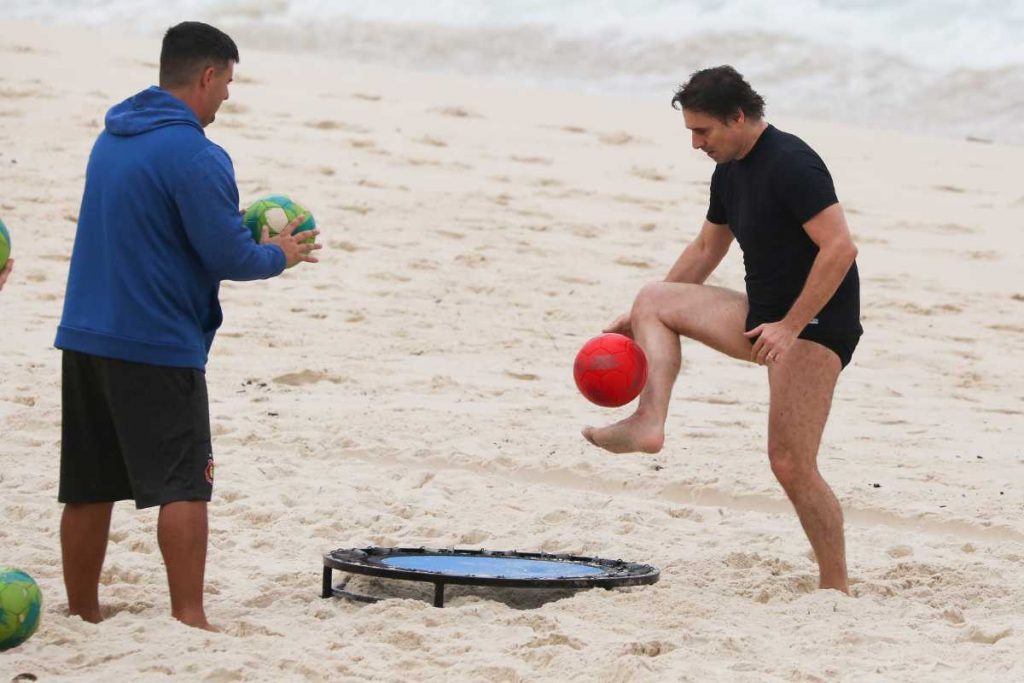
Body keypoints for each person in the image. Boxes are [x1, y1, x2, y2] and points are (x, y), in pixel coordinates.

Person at [55, 21, 321, 630]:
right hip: (156, 342)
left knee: (89, 484)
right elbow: (228, 255)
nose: (227, 94)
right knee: (184, 484)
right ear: (207, 75)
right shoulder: (197, 155)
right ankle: (190, 617)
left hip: (86, 334)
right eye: (227, 81)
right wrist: (282, 252)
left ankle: (83, 611)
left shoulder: (113, 137)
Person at [583, 66, 861, 593]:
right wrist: (636, 324)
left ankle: (836, 585)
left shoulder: (792, 164)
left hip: (816, 324)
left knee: (791, 463)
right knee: (653, 299)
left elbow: (840, 248)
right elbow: (708, 249)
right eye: (691, 131)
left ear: (739, 117)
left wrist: (791, 326)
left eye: (703, 131)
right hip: (765, 316)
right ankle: (648, 421)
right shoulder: (729, 171)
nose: (696, 143)